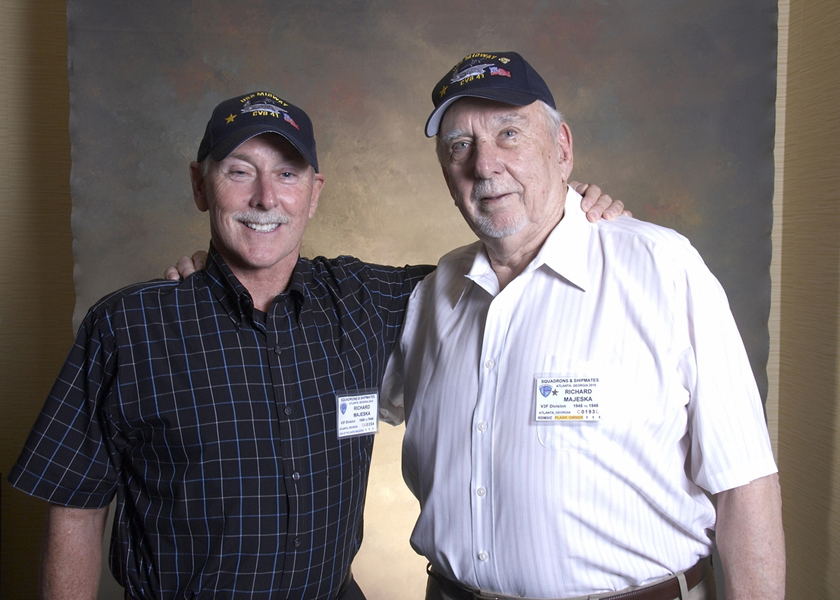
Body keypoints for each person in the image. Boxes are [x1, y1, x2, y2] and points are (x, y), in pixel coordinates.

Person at [8, 90, 622, 600]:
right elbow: (74, 504)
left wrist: (570, 211)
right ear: (201, 185)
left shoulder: (370, 301)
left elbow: (505, 259)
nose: (265, 199)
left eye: (286, 174)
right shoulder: (129, 326)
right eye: (239, 172)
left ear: (315, 191)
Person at [381, 52, 785, 600]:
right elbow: (338, 402)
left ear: (563, 148)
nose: (484, 164)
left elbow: (745, 487)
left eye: (509, 134)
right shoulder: (431, 296)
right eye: (459, 146)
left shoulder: (660, 267)